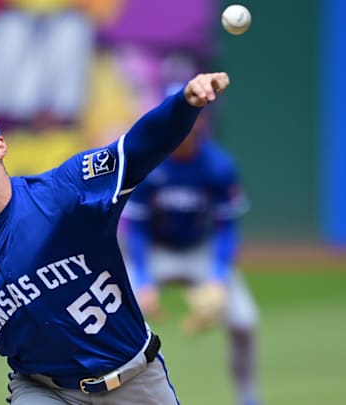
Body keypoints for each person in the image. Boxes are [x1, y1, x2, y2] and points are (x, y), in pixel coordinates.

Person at [0, 72, 230, 404]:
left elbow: (139, 147)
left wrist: (184, 104)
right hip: (43, 390)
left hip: (135, 378)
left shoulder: (65, 192)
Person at [119, 104, 262, 405]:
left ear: (202, 127)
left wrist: (219, 277)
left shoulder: (218, 166)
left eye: (195, 124)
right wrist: (143, 281)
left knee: (245, 321)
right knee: (117, 321)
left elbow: (227, 227)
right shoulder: (149, 163)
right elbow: (138, 230)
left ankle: (248, 398)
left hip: (201, 251)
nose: (189, 130)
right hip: (154, 252)